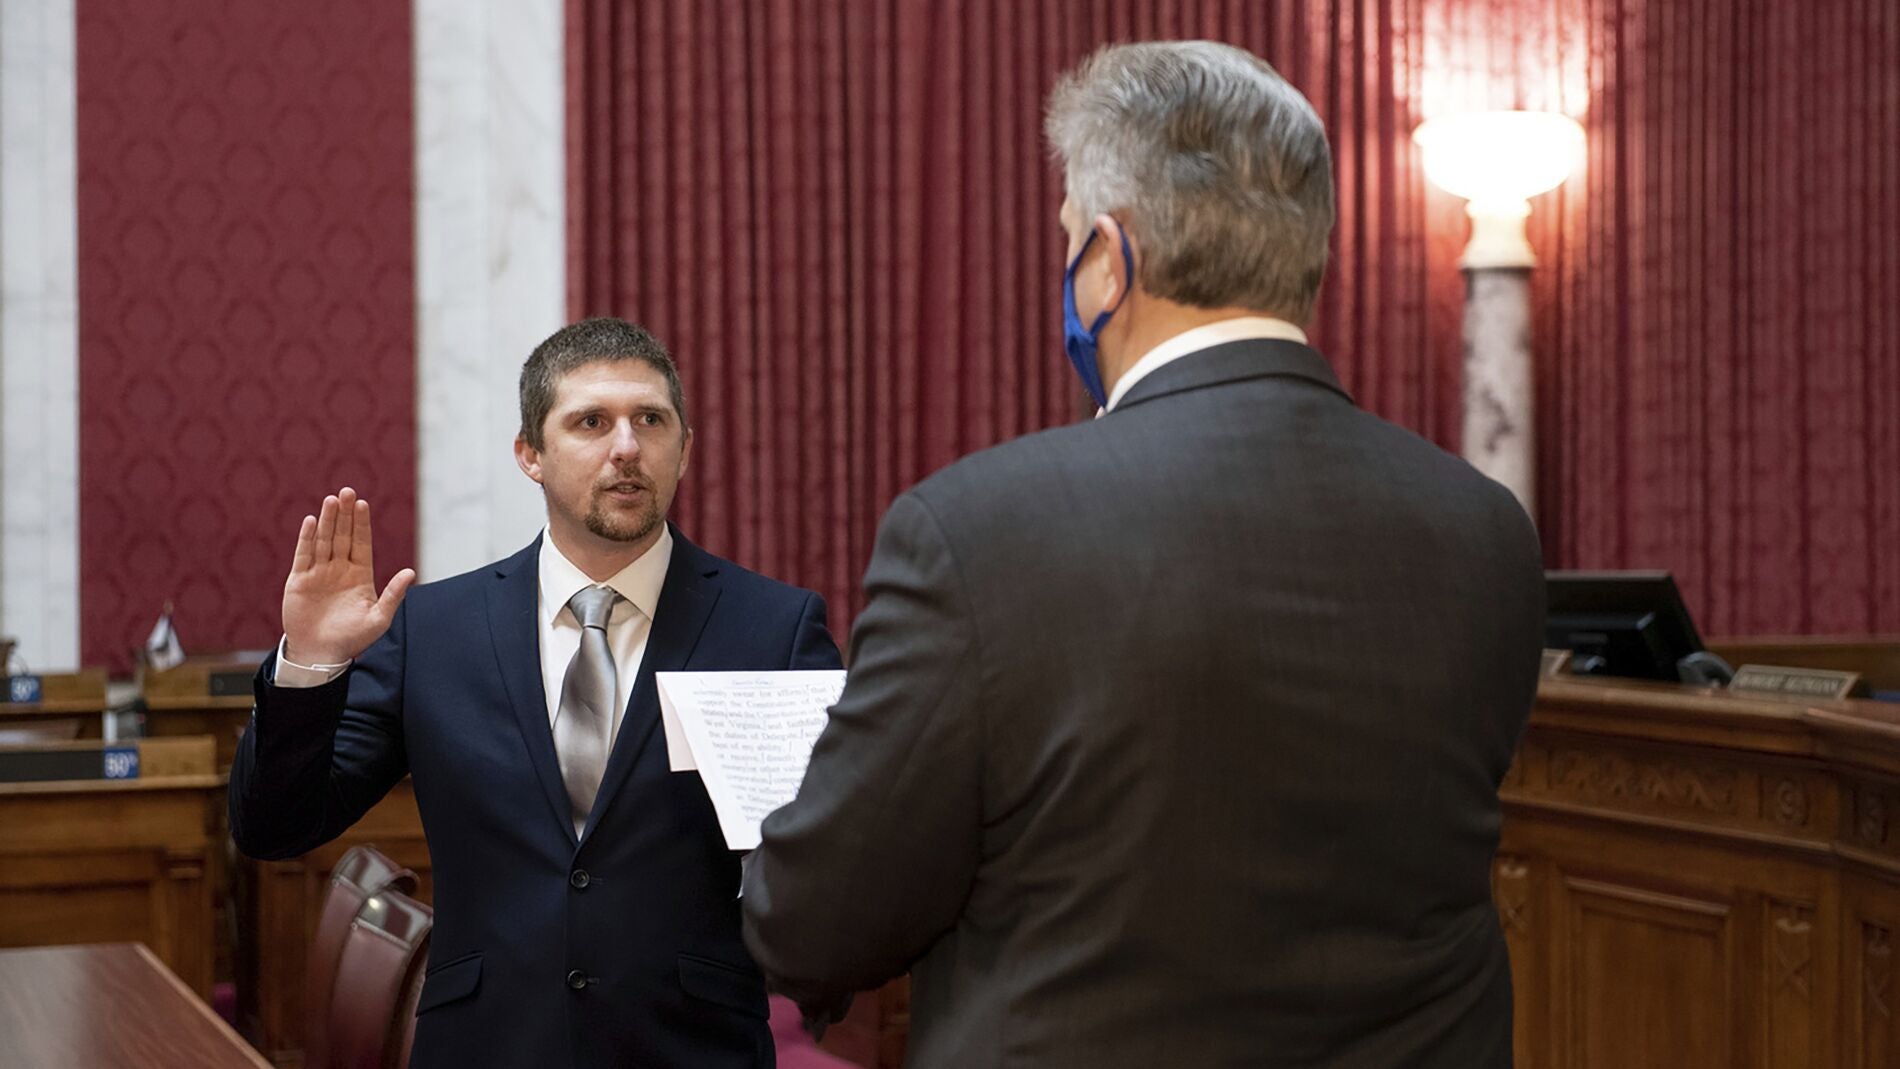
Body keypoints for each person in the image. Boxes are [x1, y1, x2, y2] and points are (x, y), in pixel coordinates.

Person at [740, 41, 1545, 1068]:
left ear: (1109, 261)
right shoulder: (1487, 530)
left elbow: (816, 925)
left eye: (1069, 237)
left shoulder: (977, 531)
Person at [230, 317, 841, 1069]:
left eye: (651, 420)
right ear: (530, 454)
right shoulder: (435, 631)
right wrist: (312, 662)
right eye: (591, 422)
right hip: (485, 1045)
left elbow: (832, 858)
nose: (627, 446)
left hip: (692, 1047)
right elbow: (274, 827)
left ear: (684, 449)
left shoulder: (773, 628)